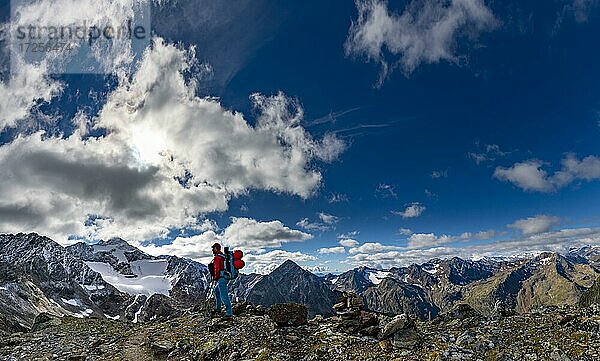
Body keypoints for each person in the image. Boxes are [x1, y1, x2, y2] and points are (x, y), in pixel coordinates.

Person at [211, 242, 232, 318]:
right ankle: (218, 308)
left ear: (216, 248)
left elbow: (217, 269)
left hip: (221, 278)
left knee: (224, 295)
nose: (212, 250)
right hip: (225, 277)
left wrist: (215, 277)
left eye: (213, 248)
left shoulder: (217, 257)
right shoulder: (223, 256)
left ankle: (229, 313)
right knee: (216, 291)